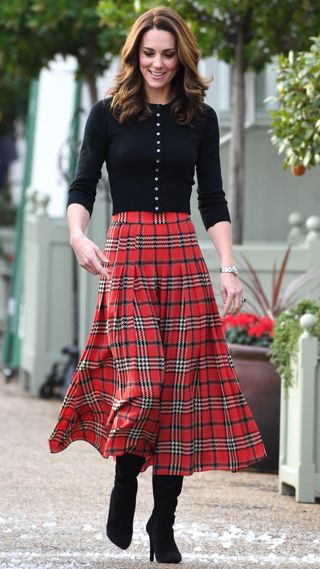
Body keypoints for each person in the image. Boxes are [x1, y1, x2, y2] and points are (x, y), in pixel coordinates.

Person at [49, 5, 267, 564]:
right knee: (144, 386)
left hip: (183, 263)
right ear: (134, 55)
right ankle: (125, 484)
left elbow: (212, 199)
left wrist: (227, 265)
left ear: (182, 57)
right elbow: (82, 185)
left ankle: (162, 524)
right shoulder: (107, 113)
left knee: (179, 400)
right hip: (128, 262)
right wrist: (78, 237)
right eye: (149, 53)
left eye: (168, 54)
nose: (158, 64)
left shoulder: (202, 118)